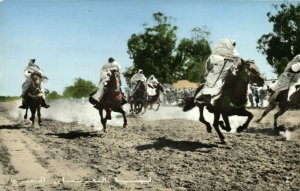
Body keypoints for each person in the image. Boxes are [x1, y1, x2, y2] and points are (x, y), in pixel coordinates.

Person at [195, 38, 241, 105]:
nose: (233, 46)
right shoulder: (217, 54)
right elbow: (210, 61)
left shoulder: (235, 54)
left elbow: (237, 62)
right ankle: (203, 97)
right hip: (215, 73)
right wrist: (223, 59)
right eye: (233, 44)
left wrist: (235, 66)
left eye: (234, 44)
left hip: (226, 74)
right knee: (209, 84)